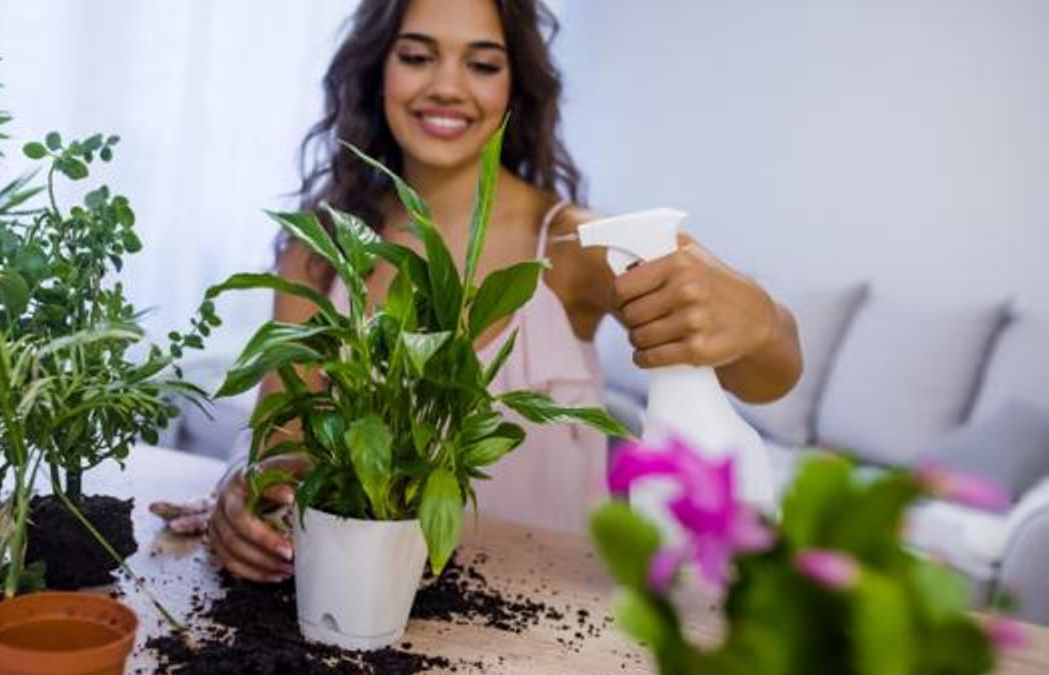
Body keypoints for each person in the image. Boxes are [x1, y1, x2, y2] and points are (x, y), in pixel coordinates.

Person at [191, 0, 802, 583]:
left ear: (517, 86)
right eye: (416, 56)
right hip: (363, 608)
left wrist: (764, 322)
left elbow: (765, 377)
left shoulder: (572, 246)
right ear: (376, 69)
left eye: (482, 63)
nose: (448, 87)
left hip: (547, 629)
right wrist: (240, 491)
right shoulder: (318, 252)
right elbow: (282, 445)